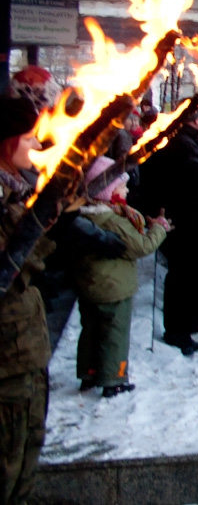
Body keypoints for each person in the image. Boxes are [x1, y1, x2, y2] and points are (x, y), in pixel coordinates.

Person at [74, 157, 171, 397]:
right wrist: (160, 227)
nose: (126, 190)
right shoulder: (114, 220)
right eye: (121, 185)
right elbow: (141, 246)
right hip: (114, 287)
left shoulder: (84, 216)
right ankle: (113, 378)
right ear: (107, 191)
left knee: (90, 330)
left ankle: (88, 372)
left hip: (89, 284)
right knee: (114, 332)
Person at [0, 96, 54, 504]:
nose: (37, 145)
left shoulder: (18, 192)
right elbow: (22, 261)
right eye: (30, 137)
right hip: (7, 363)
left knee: (25, 470)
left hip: (26, 356)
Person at [139, 105, 198, 356]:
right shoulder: (183, 145)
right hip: (185, 220)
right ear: (194, 120)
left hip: (192, 218)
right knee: (182, 275)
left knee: (190, 273)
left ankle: (186, 324)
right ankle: (177, 330)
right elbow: (191, 179)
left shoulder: (188, 141)